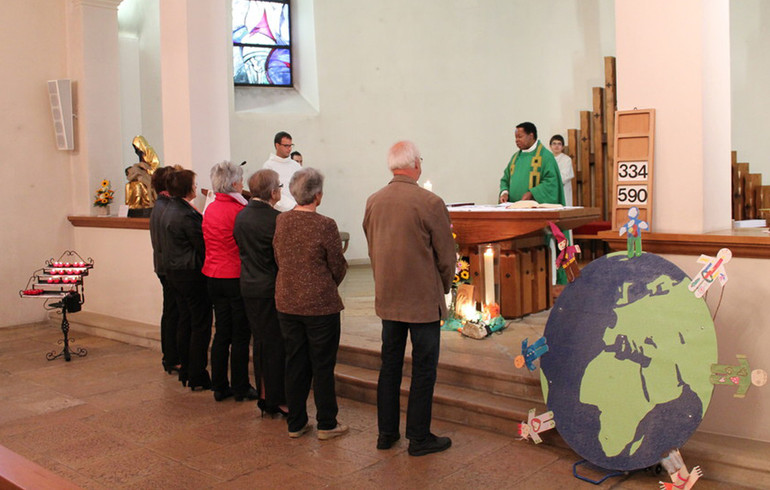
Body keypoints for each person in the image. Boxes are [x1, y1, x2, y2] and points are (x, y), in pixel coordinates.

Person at [363, 141, 456, 457]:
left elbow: (372, 245)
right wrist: (443, 287)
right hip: (421, 301)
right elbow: (446, 255)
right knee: (424, 367)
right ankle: (418, 438)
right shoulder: (429, 202)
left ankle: (386, 434)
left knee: (389, 365)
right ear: (415, 164)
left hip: (389, 298)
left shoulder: (374, 201)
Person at [273, 167, 348, 440]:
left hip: (288, 301)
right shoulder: (325, 224)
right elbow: (337, 265)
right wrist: (324, 285)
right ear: (317, 195)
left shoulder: (282, 221)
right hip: (320, 306)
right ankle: (327, 423)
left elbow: (279, 257)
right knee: (323, 365)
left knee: (295, 362)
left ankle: (296, 423)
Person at [233, 169, 288, 418]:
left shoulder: (242, 216)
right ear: (273, 191)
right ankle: (276, 398)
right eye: (279, 186)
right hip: (270, 287)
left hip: (249, 285)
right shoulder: (276, 219)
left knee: (261, 342)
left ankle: (266, 395)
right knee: (275, 344)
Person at [202, 161, 258, 402]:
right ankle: (240, 386)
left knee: (222, 332)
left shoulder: (210, 208)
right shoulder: (239, 211)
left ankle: (219, 385)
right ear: (235, 183)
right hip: (234, 276)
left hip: (213, 276)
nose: (242, 183)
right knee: (240, 335)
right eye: (241, 179)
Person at [161, 169, 213, 390]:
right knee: (200, 325)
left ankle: (186, 370)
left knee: (185, 321)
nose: (196, 187)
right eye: (194, 184)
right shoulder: (185, 214)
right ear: (187, 188)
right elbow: (201, 246)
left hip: (175, 272)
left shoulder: (169, 209)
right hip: (190, 274)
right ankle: (197, 374)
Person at [149, 166, 180, 375]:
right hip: (170, 268)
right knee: (172, 313)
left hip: (163, 266)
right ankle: (172, 357)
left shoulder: (160, 205)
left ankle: (171, 356)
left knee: (170, 312)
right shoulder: (167, 207)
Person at [499, 122, 565, 205]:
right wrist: (504, 192)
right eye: (516, 137)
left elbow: (551, 182)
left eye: (520, 137)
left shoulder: (546, 157)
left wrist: (533, 193)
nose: (517, 140)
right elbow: (505, 179)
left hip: (536, 210)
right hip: (513, 209)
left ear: (531, 136)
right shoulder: (515, 158)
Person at [263, 131, 301, 212]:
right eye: (286, 146)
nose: (289, 148)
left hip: (298, 210)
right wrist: (292, 206)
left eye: (291, 145)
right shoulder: (268, 166)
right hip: (278, 211)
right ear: (277, 145)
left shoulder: (296, 166)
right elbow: (270, 193)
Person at [549, 134, 575, 206]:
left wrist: (551, 181)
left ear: (562, 147)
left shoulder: (567, 160)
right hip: (549, 190)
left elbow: (565, 176)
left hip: (562, 190)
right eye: (554, 144)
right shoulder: (547, 159)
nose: (556, 146)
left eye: (559, 144)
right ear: (550, 146)